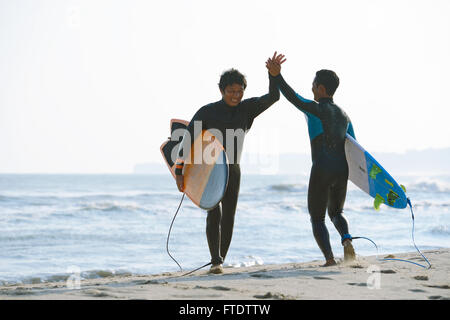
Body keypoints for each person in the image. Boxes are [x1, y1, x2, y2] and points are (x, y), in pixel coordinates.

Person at [174, 52, 286, 274]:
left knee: (229, 215)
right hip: (209, 170)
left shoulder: (247, 108)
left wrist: (273, 75)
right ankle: (215, 260)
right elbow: (187, 140)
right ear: (221, 90)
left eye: (240, 91)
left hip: (233, 169)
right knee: (213, 211)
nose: (236, 95)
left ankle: (220, 260)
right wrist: (179, 171)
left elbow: (274, 97)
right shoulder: (207, 111)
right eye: (231, 91)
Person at [267, 56, 356, 266]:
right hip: (342, 170)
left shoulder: (314, 108)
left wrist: (276, 75)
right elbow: (354, 147)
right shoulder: (344, 115)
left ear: (322, 88)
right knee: (337, 213)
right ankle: (346, 238)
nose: (311, 87)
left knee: (317, 218)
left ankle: (330, 259)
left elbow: (292, 96)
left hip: (322, 168)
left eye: (314, 84)